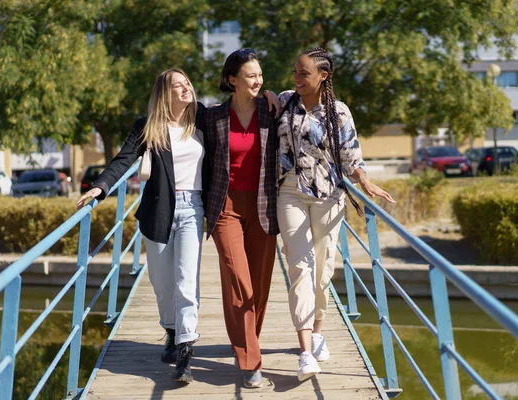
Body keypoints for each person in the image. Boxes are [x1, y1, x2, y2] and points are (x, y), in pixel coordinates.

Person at [76, 68, 208, 384]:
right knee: (162, 284)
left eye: (188, 83)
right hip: (159, 210)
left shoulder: (201, 119)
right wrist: (100, 186)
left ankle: (185, 353)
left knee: (186, 282)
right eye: (179, 85)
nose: (186, 88)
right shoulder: (147, 127)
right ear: (165, 94)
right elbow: (123, 161)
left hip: (193, 209)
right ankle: (172, 329)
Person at [275, 47, 396, 381]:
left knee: (322, 268)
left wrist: (366, 183)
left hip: (329, 196)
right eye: (295, 72)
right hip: (290, 192)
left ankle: (317, 333)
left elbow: (351, 156)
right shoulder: (284, 101)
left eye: (304, 73)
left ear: (323, 76)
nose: (297, 78)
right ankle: (304, 353)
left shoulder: (338, 112)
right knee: (299, 267)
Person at [205, 48, 279, 389]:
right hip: (226, 208)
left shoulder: (272, 110)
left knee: (260, 287)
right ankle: (251, 360)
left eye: (260, 75)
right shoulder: (213, 117)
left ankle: (248, 339)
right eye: (251, 75)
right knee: (240, 282)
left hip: (264, 207)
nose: (258, 80)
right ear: (232, 80)